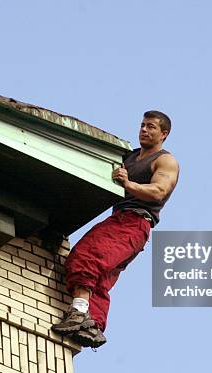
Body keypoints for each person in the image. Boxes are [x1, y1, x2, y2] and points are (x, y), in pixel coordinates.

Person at [51, 110, 179, 348]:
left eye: (151, 126)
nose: (144, 130)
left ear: (164, 134)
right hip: (122, 221)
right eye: (142, 125)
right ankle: (93, 326)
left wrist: (128, 183)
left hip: (134, 223)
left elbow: (159, 191)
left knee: (87, 256)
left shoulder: (165, 160)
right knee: (101, 276)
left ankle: (78, 313)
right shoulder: (129, 157)